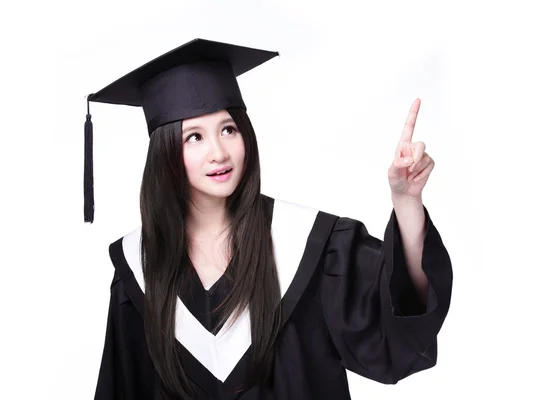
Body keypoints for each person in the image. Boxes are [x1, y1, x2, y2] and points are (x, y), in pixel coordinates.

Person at [87, 38, 453, 400]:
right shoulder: (139, 270)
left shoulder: (312, 247)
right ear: (165, 152)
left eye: (228, 129)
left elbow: (398, 327)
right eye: (194, 137)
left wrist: (406, 202)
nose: (219, 152)